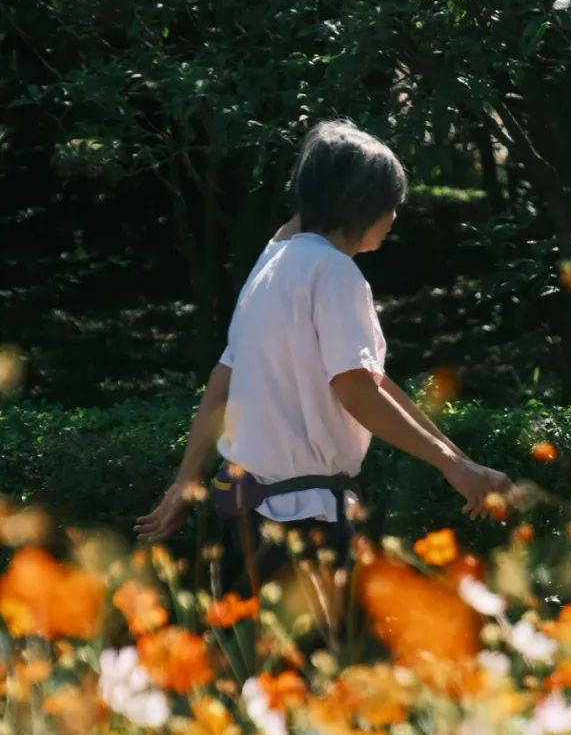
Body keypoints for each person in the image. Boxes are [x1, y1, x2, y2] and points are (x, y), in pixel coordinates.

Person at [135, 120, 514, 607]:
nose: (395, 215)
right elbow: (356, 391)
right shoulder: (335, 271)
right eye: (390, 203)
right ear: (360, 203)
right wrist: (450, 467)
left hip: (246, 512)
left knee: (251, 674)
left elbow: (226, 385)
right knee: (315, 677)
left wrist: (460, 462)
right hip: (307, 520)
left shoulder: (271, 266)